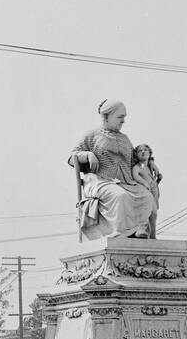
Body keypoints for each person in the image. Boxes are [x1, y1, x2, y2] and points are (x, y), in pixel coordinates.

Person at [68, 99, 159, 240]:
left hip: (126, 181)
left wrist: (150, 161)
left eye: (124, 117)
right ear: (106, 117)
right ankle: (119, 231)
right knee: (120, 196)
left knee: (146, 196)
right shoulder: (92, 135)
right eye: (120, 117)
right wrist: (87, 155)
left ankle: (140, 229)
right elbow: (71, 157)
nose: (123, 121)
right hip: (100, 180)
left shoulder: (125, 139)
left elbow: (135, 159)